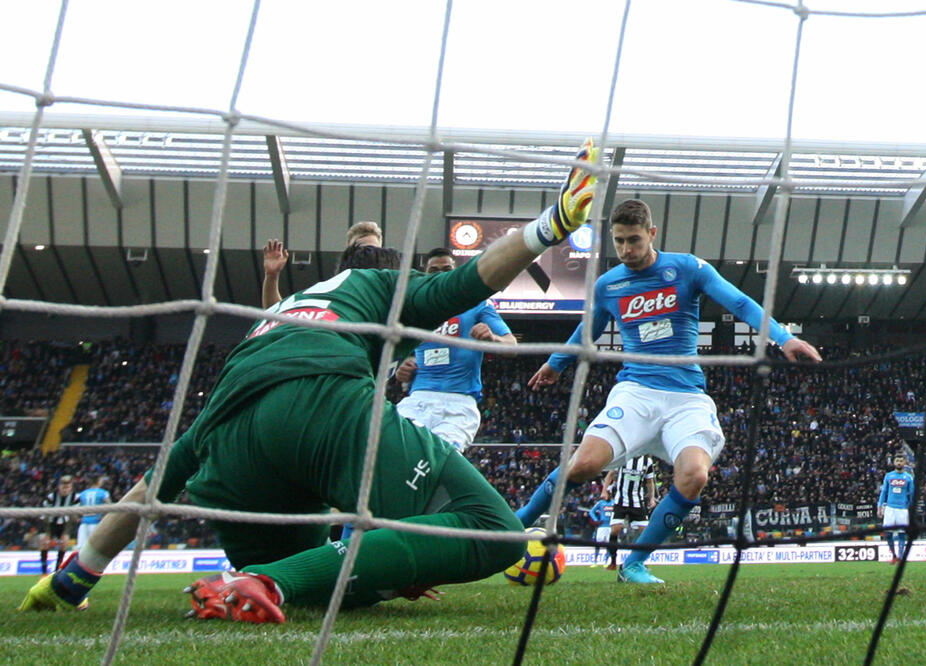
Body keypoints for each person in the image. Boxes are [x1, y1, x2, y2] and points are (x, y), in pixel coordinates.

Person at [20, 139, 601, 621]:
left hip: (230, 449)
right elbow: (465, 283)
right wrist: (550, 227)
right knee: (492, 530)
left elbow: (151, 491)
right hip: (321, 401)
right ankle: (273, 583)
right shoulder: (379, 288)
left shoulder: (282, 312)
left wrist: (74, 578)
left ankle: (256, 582)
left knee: (340, 589)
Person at [515, 198, 822, 584]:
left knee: (695, 475)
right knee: (583, 465)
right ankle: (514, 526)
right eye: (619, 241)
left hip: (686, 397)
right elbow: (587, 330)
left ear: (652, 234)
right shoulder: (609, 284)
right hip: (636, 392)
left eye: (634, 240)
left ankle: (635, 563)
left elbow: (740, 303)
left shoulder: (687, 268)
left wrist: (782, 338)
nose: (626, 250)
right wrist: (555, 365)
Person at [394, 247, 517, 453]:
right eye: (434, 270)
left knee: (438, 460)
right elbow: (399, 358)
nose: (441, 275)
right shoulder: (414, 309)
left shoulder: (476, 304)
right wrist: (401, 370)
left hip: (458, 404)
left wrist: (492, 338)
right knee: (395, 455)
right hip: (419, 400)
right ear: (425, 274)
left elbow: (512, 346)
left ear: (455, 272)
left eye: (447, 269)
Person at [603, 455, 658, 570]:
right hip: (621, 501)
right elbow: (610, 474)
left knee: (645, 532)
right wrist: (604, 491)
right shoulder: (624, 457)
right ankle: (613, 561)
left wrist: (652, 498)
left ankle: (640, 561)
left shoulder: (647, 461)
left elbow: (650, 481)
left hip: (637, 502)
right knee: (615, 530)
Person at [877, 452, 914, 564]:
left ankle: (901, 557)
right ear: (894, 462)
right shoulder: (889, 476)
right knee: (888, 534)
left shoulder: (908, 477)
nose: (899, 463)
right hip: (890, 508)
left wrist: (910, 507)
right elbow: (884, 492)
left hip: (902, 509)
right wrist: (879, 506)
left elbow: (912, 493)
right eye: (897, 461)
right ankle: (894, 556)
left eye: (901, 461)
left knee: (902, 533)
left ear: (904, 463)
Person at [40, 475, 78, 575]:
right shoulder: (51, 497)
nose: (65, 489)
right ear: (59, 487)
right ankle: (43, 571)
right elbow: (46, 516)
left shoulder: (75, 497)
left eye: (68, 487)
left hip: (65, 523)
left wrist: (66, 532)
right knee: (44, 543)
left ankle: (57, 570)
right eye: (63, 487)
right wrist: (48, 533)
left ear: (71, 487)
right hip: (50, 523)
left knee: (64, 543)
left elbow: (72, 516)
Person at [76, 477, 111, 552]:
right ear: (98, 482)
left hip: (84, 523)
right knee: (96, 548)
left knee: (81, 548)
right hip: (96, 522)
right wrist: (104, 516)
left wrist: (77, 518)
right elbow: (109, 505)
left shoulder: (83, 493)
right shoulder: (103, 492)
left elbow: (75, 506)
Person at [586, 496, 614, 567]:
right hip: (602, 526)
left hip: (610, 526)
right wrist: (596, 520)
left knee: (609, 544)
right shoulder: (600, 503)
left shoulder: (614, 502)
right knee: (598, 543)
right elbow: (591, 511)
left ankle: (606, 561)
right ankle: (595, 561)